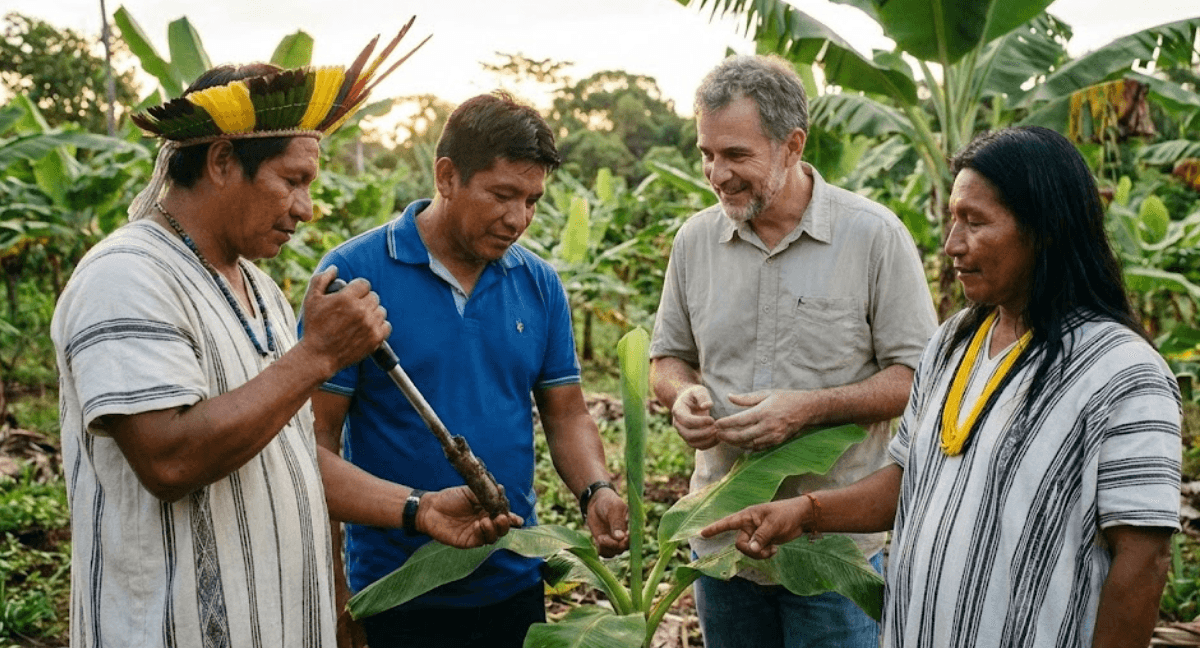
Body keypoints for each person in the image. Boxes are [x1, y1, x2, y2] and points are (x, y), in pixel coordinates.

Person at [51, 33, 520, 648]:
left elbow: (291, 455)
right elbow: (169, 459)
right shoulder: (128, 276)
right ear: (222, 162)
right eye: (292, 180)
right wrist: (318, 355)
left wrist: (418, 508)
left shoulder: (260, 291)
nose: (306, 208)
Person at [703, 126, 1182, 648]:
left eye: (975, 223)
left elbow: (1143, 558)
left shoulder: (1124, 374)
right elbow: (909, 479)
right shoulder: (954, 341)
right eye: (953, 220)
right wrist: (804, 512)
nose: (952, 245)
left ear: (1046, 230)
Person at [307, 91, 630, 648]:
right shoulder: (354, 275)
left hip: (513, 574)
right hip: (394, 587)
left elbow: (566, 413)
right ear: (447, 176)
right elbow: (316, 445)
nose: (518, 219)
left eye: (532, 200)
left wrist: (595, 489)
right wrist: (337, 594)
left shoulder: (538, 283)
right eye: (502, 194)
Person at [649, 54, 938, 648]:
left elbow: (918, 378)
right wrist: (683, 397)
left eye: (736, 155)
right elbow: (667, 359)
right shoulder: (695, 240)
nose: (716, 173)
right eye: (706, 154)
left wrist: (809, 409)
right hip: (722, 544)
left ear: (792, 145)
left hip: (830, 549)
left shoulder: (873, 237)